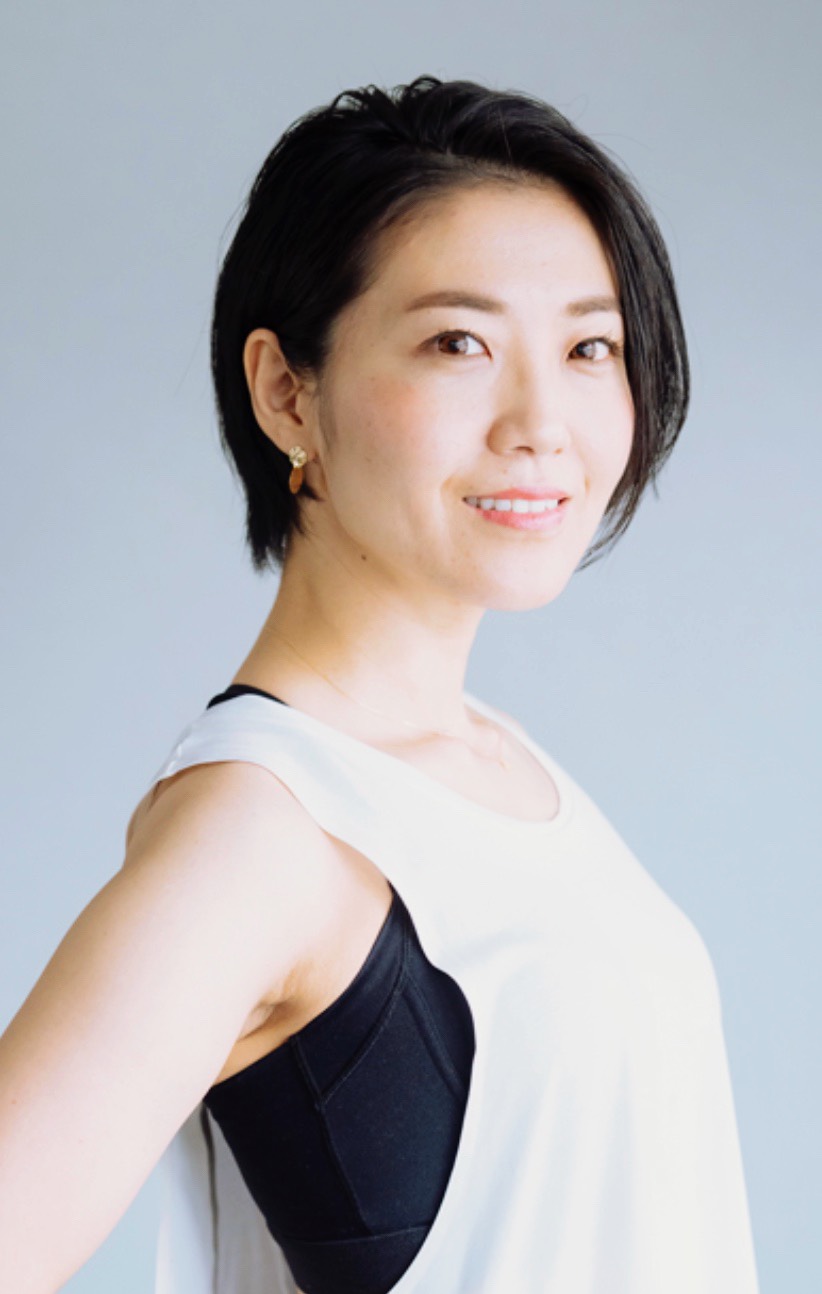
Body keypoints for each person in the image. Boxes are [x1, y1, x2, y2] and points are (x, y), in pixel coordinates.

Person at [0, 76, 760, 1294]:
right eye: (460, 343)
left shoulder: (500, 763)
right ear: (286, 392)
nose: (542, 421)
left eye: (589, 347)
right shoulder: (260, 832)